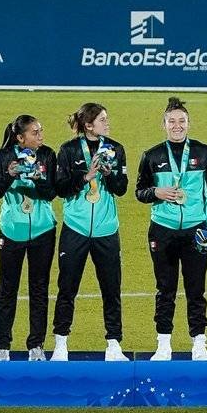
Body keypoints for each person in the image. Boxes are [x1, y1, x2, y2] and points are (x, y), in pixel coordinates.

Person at [136, 98, 207, 361]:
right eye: (171, 121)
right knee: (165, 288)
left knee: (196, 289)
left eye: (181, 121)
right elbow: (139, 192)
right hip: (163, 230)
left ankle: (199, 343)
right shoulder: (151, 156)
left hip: (196, 231)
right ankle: (164, 344)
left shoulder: (204, 152)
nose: (177, 126)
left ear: (188, 123)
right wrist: (156, 192)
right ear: (163, 124)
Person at [52, 103, 130, 361]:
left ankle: (114, 343)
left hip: (107, 230)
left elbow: (121, 189)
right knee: (67, 287)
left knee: (111, 288)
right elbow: (60, 189)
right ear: (88, 125)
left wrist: (109, 174)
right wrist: (86, 177)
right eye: (102, 119)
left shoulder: (116, 149)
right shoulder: (68, 150)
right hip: (75, 228)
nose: (107, 123)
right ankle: (61, 343)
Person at [0, 113, 60, 360]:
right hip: (12, 230)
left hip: (43, 230)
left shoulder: (47, 154)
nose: (41, 136)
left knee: (39, 288)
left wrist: (39, 179)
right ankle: (2, 346)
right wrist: (9, 175)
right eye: (35, 132)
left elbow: (52, 194)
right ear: (20, 137)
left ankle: (36, 345)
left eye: (40, 131)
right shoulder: (2, 157)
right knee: (7, 288)